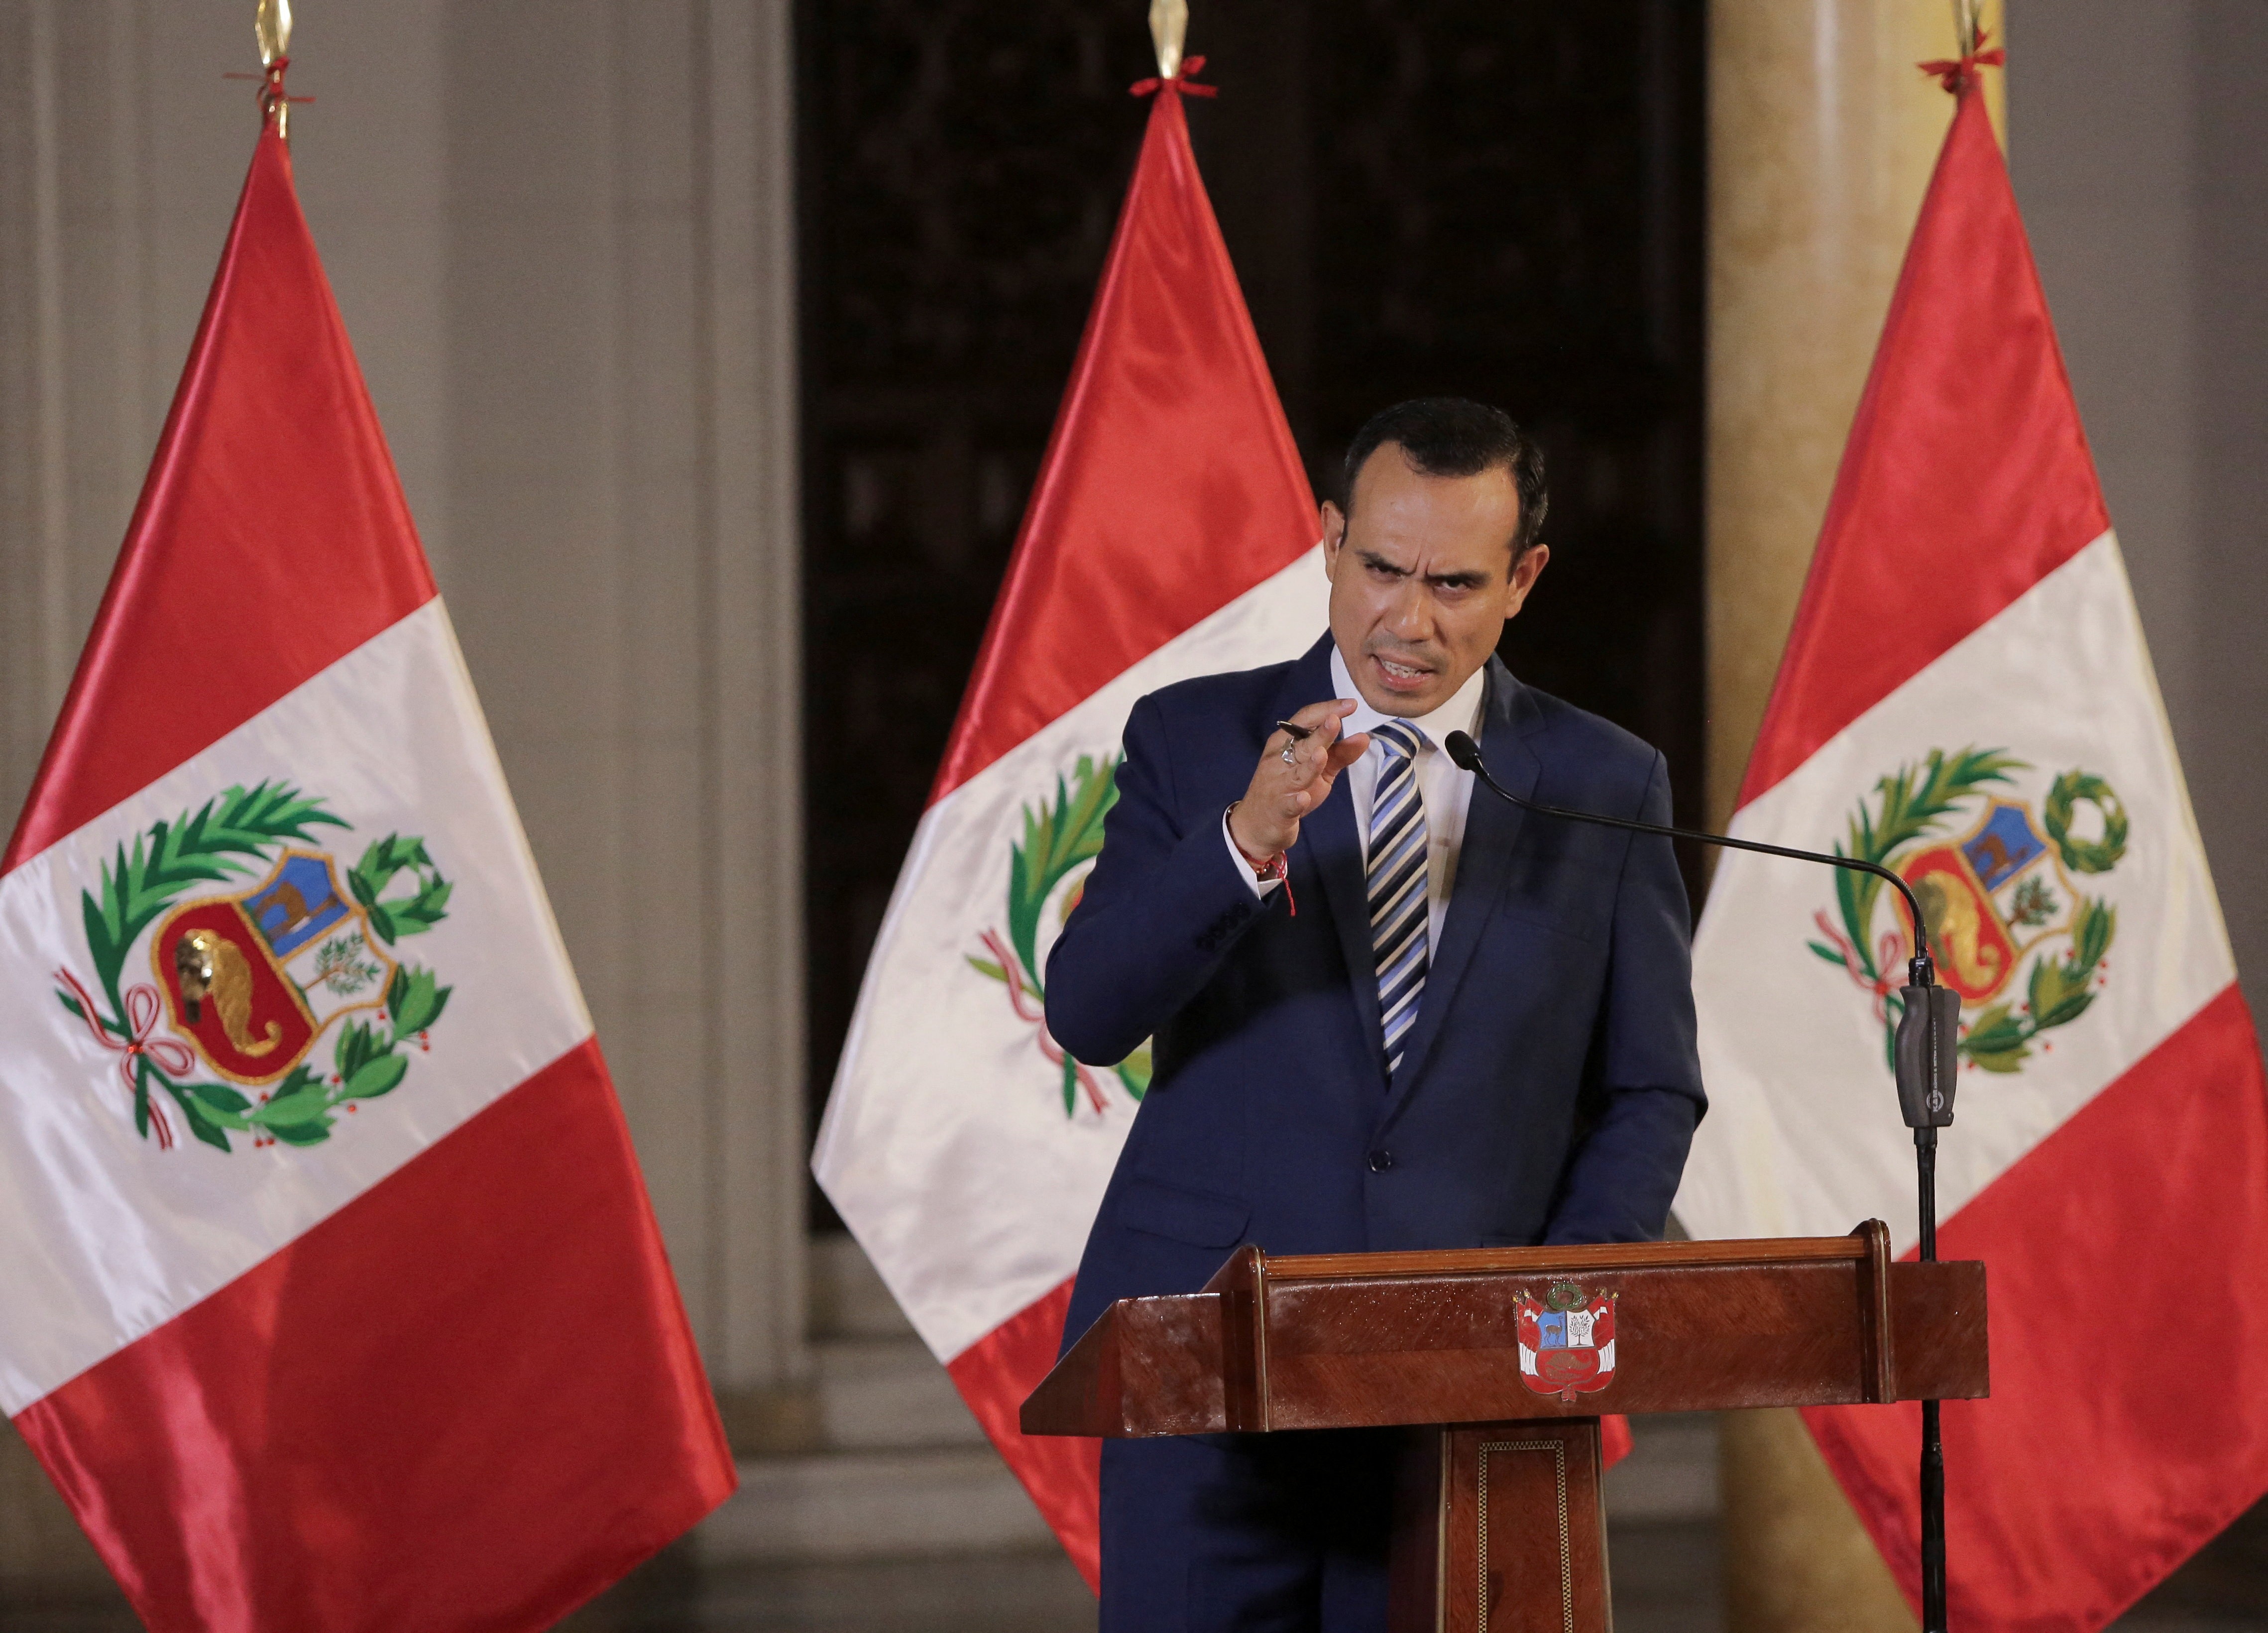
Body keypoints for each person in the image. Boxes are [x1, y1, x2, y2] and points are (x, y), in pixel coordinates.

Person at [1043, 397, 1706, 1632]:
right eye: (1381, 569)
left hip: (1466, 1390)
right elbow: (1086, 1010)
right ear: (1331, 540)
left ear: (1524, 579)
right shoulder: (1193, 739)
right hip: (1212, 1369)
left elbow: (1648, 1085)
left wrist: (1554, 1305)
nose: (1408, 620)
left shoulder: (1606, 782)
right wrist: (1244, 842)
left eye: (1455, 582)